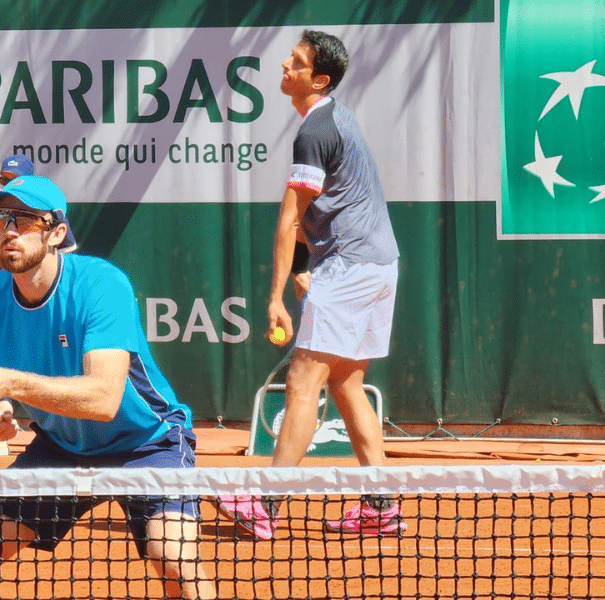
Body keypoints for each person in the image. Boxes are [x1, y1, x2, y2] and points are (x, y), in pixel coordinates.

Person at [0, 175, 215, 599]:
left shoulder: (99, 284)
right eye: (0, 218)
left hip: (148, 442)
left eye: (25, 219)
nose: (8, 229)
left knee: (175, 559)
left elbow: (104, 399)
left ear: (56, 232)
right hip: (61, 447)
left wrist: (11, 383)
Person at [218, 30, 402, 539]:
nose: (284, 66)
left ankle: (266, 505)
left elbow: (289, 221)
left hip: (350, 267)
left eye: (295, 62)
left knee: (302, 383)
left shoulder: (315, 130)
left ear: (318, 79)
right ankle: (381, 505)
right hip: (378, 264)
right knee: (345, 382)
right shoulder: (333, 120)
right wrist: (309, 267)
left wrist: (276, 297)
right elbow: (324, 208)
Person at [0, 154, 79, 456]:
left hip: (47, 306)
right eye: (3, 178)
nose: (6, 182)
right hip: (15, 299)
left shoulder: (46, 213)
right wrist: (3, 300)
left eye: (12, 178)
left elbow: (64, 260)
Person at [0, 154, 77, 275]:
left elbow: (66, 253)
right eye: (4, 179)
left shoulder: (49, 208)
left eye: (27, 219)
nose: (10, 232)